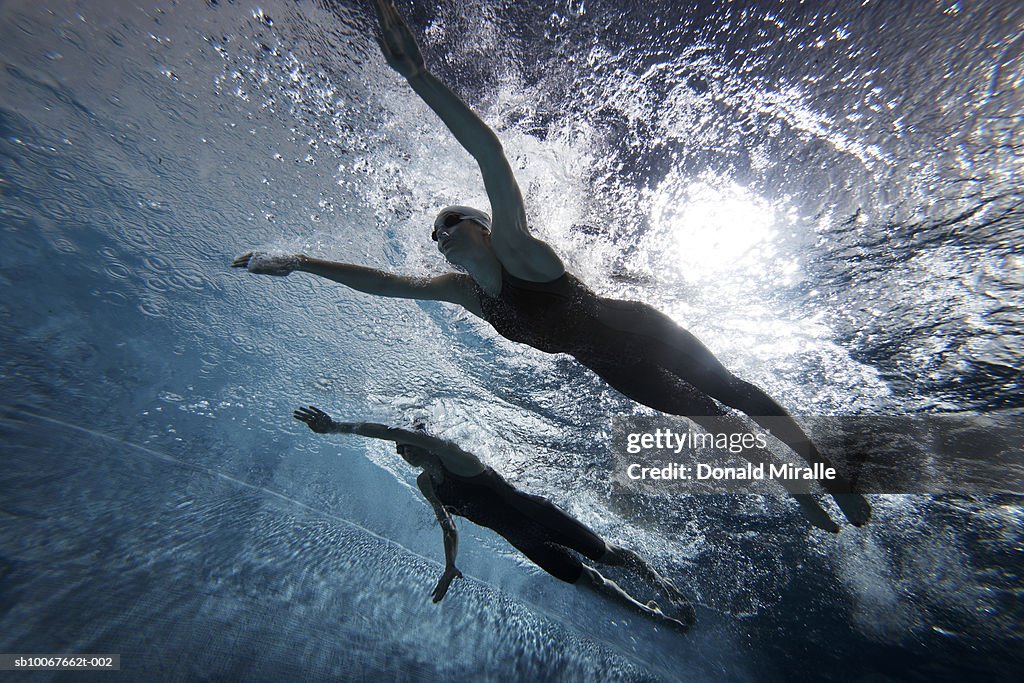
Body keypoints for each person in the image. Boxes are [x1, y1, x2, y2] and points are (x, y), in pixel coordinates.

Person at [233, 0, 869, 532]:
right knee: (714, 423)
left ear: (479, 227)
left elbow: (489, 155)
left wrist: (419, 77)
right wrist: (301, 262)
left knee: (730, 391)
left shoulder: (515, 247)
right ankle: (798, 489)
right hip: (613, 367)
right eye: (434, 234)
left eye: (448, 224)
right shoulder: (465, 292)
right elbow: (385, 285)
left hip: (638, 328)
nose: (440, 237)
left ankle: (826, 474)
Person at [292, 404, 696, 632]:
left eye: (406, 444)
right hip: (522, 538)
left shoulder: (455, 455)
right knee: (585, 580)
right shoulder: (426, 485)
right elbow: (447, 524)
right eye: (399, 450)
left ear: (422, 441)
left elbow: (402, 432)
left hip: (538, 515)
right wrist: (450, 565)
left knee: (606, 555)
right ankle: (648, 614)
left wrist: (337, 427)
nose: (402, 451)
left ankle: (664, 585)